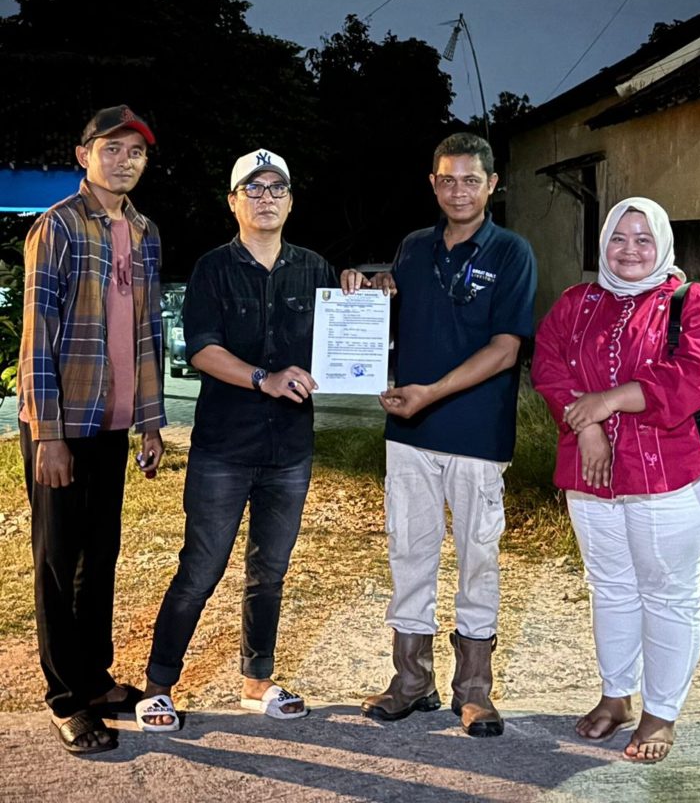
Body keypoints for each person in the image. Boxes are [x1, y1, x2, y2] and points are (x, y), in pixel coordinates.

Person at [341, 132, 537, 738]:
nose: (459, 191)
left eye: (471, 180)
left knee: (479, 557)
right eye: (447, 179)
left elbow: (505, 350)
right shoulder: (413, 247)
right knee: (410, 553)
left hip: (476, 434)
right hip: (409, 433)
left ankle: (474, 690)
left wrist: (432, 392)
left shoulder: (511, 252)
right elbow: (396, 311)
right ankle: (411, 682)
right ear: (433, 183)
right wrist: (364, 293)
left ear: (492, 185)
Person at [136, 148, 337, 731]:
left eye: (277, 187)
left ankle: (257, 683)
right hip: (224, 448)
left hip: (290, 450)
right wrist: (263, 378)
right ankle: (158, 686)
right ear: (234, 202)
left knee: (269, 570)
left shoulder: (316, 269)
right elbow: (200, 348)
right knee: (201, 568)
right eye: (254, 188)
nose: (266, 197)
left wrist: (365, 296)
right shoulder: (212, 269)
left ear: (291, 200)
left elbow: (344, 342)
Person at [531, 196, 700, 764]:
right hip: (590, 475)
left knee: (668, 594)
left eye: (644, 238)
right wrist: (588, 427)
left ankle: (661, 712)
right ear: (604, 244)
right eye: (620, 237)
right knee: (611, 587)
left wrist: (605, 403)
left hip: (669, 475)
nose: (630, 250)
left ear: (663, 244)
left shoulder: (690, 303)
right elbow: (549, 365)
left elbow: (693, 375)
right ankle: (616, 696)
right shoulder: (577, 303)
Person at [17, 104, 165, 756]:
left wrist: (151, 424)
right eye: (112, 148)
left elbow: (149, 332)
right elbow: (35, 336)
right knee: (58, 560)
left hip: (111, 426)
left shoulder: (145, 231)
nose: (124, 159)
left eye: (136, 151)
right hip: (63, 425)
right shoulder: (58, 228)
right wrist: (46, 433)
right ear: (83, 155)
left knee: (98, 557)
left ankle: (96, 679)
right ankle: (64, 697)